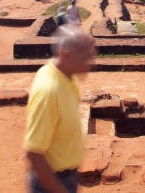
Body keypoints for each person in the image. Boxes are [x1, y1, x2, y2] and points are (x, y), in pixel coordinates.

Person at [24, 25, 96, 193]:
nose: (90, 63)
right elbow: (34, 153)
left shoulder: (68, 78)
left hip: (66, 176)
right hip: (50, 183)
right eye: (86, 57)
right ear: (66, 55)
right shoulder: (49, 91)